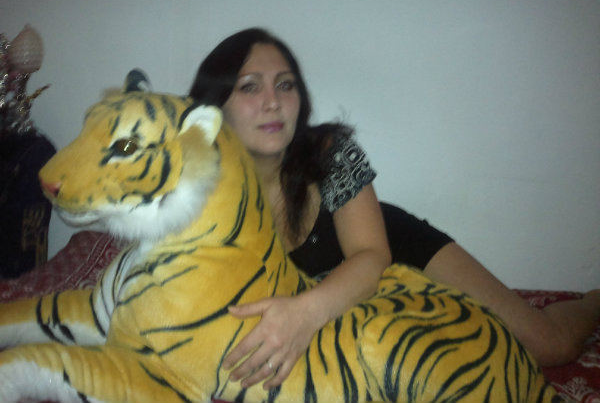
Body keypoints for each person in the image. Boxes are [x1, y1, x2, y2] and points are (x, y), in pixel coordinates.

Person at [189, 28, 600, 390]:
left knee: (551, 346)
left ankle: (593, 301)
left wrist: (304, 314)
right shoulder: (194, 191)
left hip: (394, 249)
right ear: (214, 106)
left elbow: (372, 255)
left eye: (285, 85)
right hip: (354, 309)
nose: (273, 102)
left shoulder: (330, 152)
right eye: (249, 87)